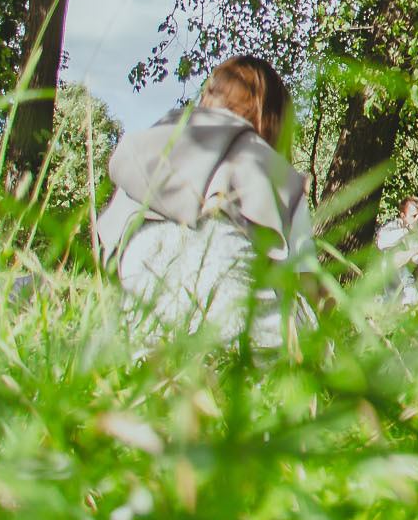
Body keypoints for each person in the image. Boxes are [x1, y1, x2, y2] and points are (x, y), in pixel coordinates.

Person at [97, 56, 311, 341]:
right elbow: (308, 283)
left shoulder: (150, 154)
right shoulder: (275, 174)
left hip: (142, 340)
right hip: (239, 349)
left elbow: (110, 255)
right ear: (271, 119)